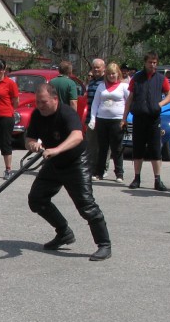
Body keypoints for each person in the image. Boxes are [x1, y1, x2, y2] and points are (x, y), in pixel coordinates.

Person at [25, 84, 112, 261]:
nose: (40, 106)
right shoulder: (37, 115)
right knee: (36, 199)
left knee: (86, 206)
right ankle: (64, 232)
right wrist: (32, 144)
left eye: (43, 102)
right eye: (37, 102)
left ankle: (104, 245)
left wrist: (57, 149)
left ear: (55, 99)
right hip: (54, 161)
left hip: (76, 162)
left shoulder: (66, 113)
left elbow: (77, 136)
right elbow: (29, 138)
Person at [123, 52, 170, 191]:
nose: (152, 65)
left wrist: (160, 104)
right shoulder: (136, 78)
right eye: (150, 62)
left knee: (155, 150)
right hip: (139, 118)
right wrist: (124, 118)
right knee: (137, 149)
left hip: (153, 119)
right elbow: (130, 98)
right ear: (145, 62)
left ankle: (157, 180)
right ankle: (136, 178)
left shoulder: (161, 78)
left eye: (155, 62)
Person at [88, 62, 128, 183]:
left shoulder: (123, 87)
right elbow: (95, 104)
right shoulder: (101, 86)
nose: (111, 76)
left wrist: (125, 119)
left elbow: (129, 103)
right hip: (102, 119)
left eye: (113, 74)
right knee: (102, 147)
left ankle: (119, 173)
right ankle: (99, 172)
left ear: (118, 74)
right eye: (109, 74)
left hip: (117, 120)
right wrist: (93, 119)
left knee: (117, 148)